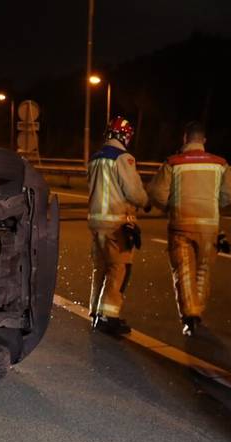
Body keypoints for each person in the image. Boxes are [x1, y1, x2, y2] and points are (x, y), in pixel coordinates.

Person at [146, 121, 231, 336]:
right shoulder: (220, 164)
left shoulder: (173, 162)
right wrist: (212, 203)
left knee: (184, 271)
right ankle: (198, 313)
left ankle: (190, 316)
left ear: (184, 138)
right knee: (203, 272)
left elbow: (157, 192)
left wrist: (169, 206)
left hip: (181, 225)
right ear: (203, 140)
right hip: (209, 227)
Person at [86, 116, 148, 336]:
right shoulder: (124, 158)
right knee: (119, 268)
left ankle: (95, 312)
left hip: (96, 223)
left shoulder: (95, 158)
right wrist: (145, 202)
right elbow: (133, 190)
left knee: (100, 269)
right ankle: (108, 317)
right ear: (125, 135)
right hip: (116, 224)